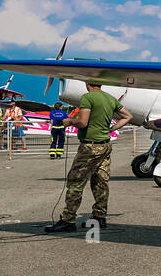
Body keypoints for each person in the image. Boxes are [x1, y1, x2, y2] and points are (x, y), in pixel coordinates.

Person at [45, 83, 132, 232]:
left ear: (87, 84)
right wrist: (112, 128)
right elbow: (128, 116)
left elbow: (82, 122)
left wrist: (70, 121)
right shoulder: (110, 98)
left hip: (90, 147)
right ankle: (99, 216)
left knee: (76, 182)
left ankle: (68, 220)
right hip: (105, 145)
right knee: (100, 181)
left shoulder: (87, 97)